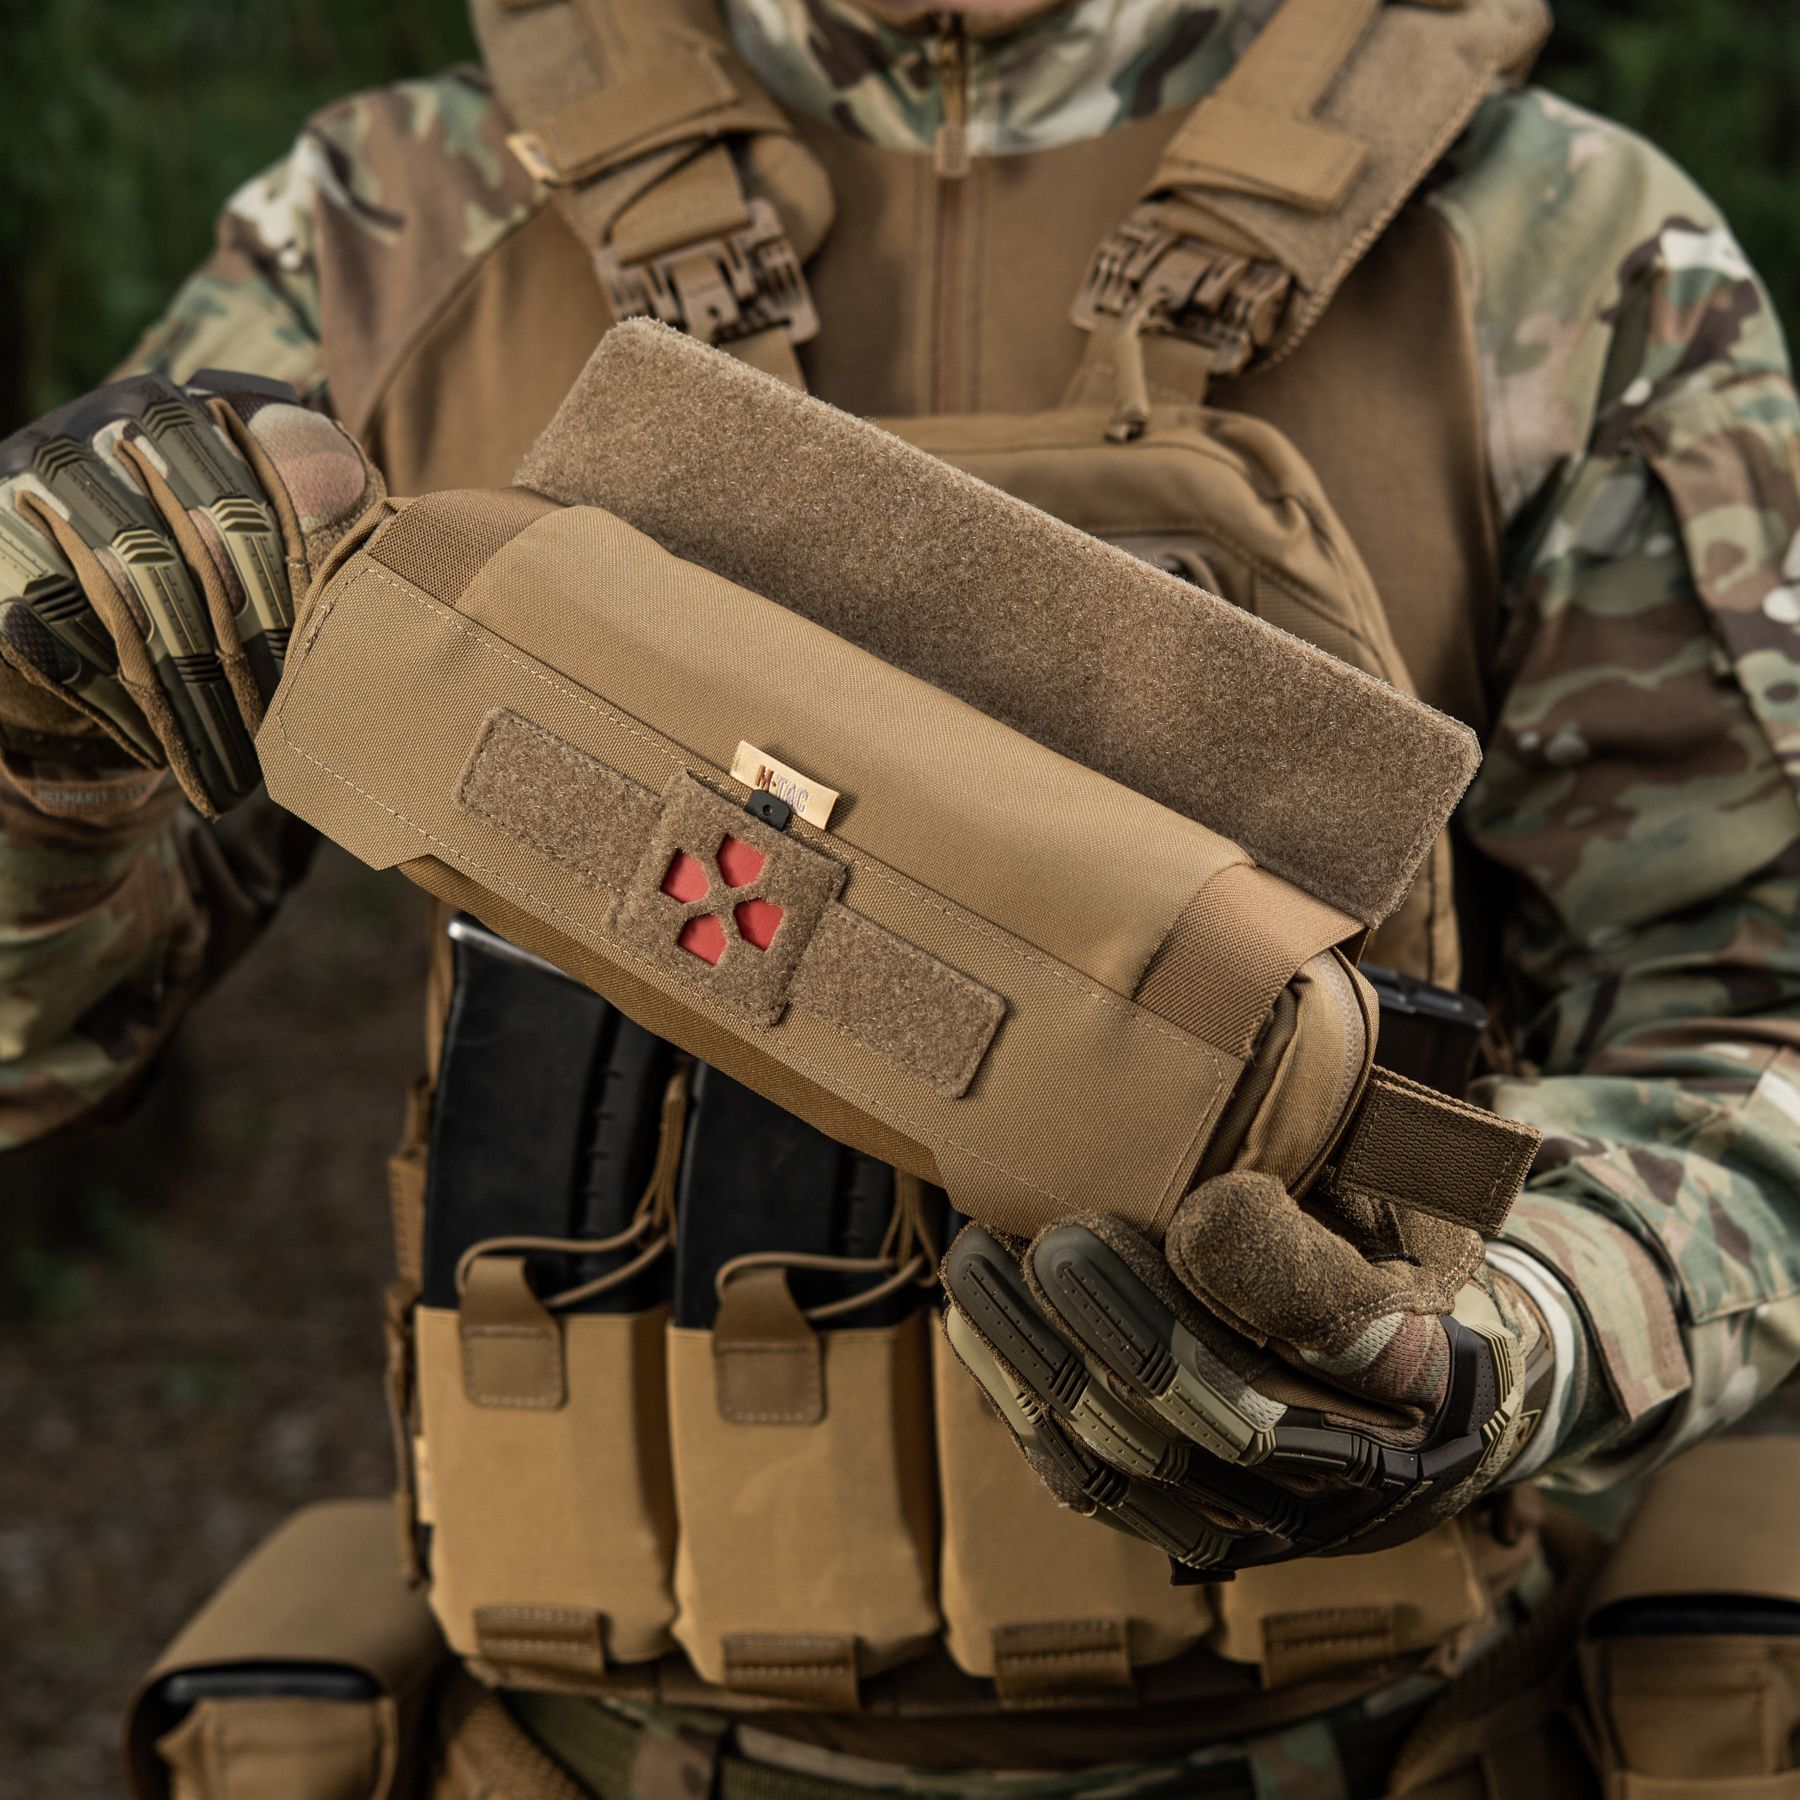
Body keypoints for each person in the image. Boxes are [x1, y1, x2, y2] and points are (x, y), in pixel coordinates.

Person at [4, 0, 1800, 1794]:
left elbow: (1747, 1012)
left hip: (1371, 1738)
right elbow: (45, 1043)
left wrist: (1504, 1341)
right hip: (592, 1745)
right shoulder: (397, 222)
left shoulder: (1551, 242)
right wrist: (37, 749)